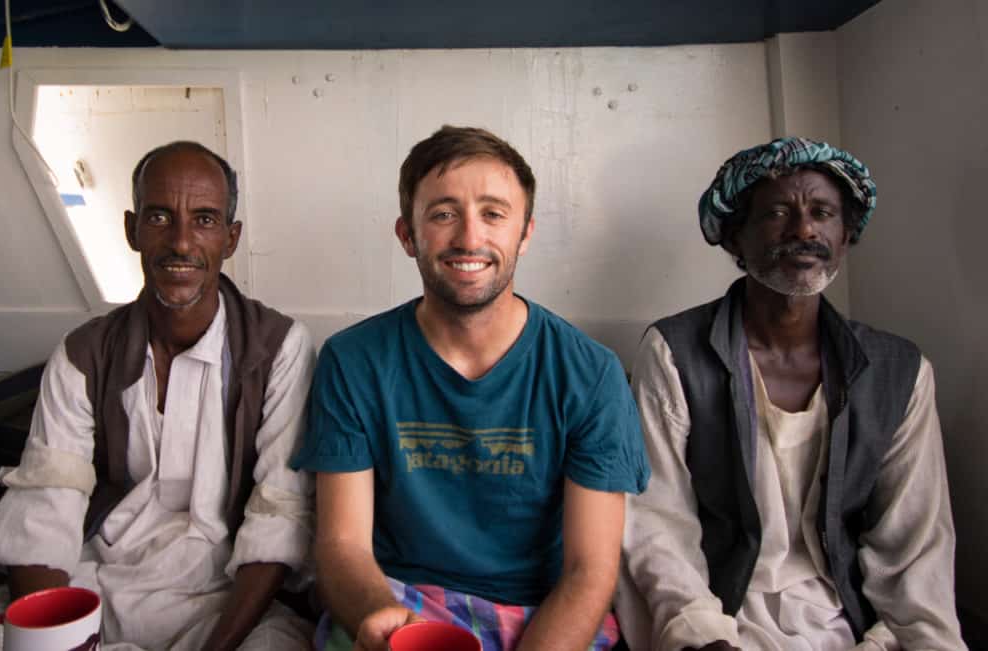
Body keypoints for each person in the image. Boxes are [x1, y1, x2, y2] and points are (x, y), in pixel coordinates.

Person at [294, 125, 649, 651]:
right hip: (400, 602)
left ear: (524, 233)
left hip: (544, 614)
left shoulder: (590, 374)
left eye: (493, 213)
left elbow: (588, 572)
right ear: (407, 234)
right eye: (442, 213)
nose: (469, 237)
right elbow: (342, 546)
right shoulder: (354, 361)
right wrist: (380, 619)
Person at [616, 137, 966, 650]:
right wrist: (704, 636)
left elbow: (915, 544)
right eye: (778, 212)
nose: (804, 229)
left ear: (846, 235)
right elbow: (656, 524)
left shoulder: (900, 372)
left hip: (849, 617)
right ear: (736, 239)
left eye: (822, 212)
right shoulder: (675, 352)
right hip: (718, 617)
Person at [0, 141, 316, 650]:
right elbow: (46, 506)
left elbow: (280, 514)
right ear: (131, 230)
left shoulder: (280, 348)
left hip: (225, 589)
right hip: (94, 576)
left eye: (204, 220)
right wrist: (52, 638)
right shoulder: (83, 354)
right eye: (158, 217)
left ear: (231, 238)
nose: (181, 242)